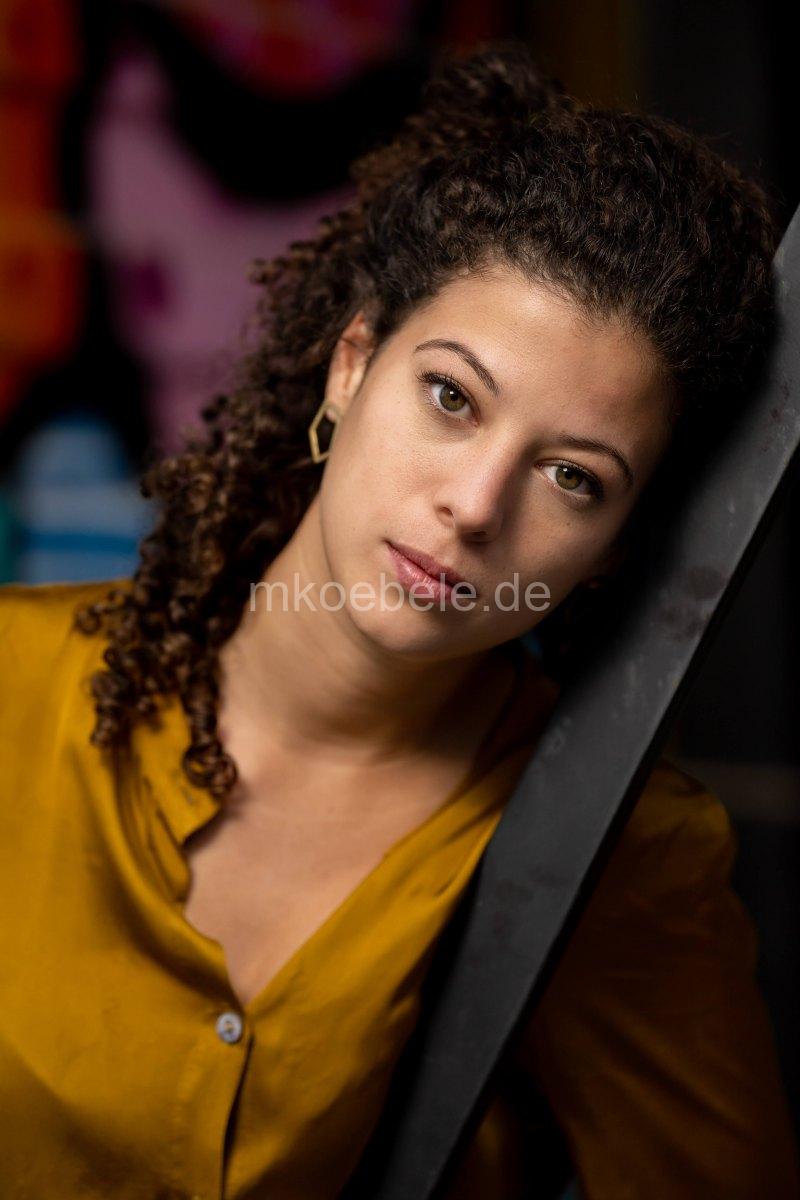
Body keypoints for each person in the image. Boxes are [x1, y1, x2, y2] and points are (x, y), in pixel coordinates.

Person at [0, 38, 797, 1200]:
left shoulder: (611, 852)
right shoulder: (11, 686)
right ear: (350, 366)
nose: (473, 506)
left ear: (611, 550)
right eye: (449, 396)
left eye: (571, 477)